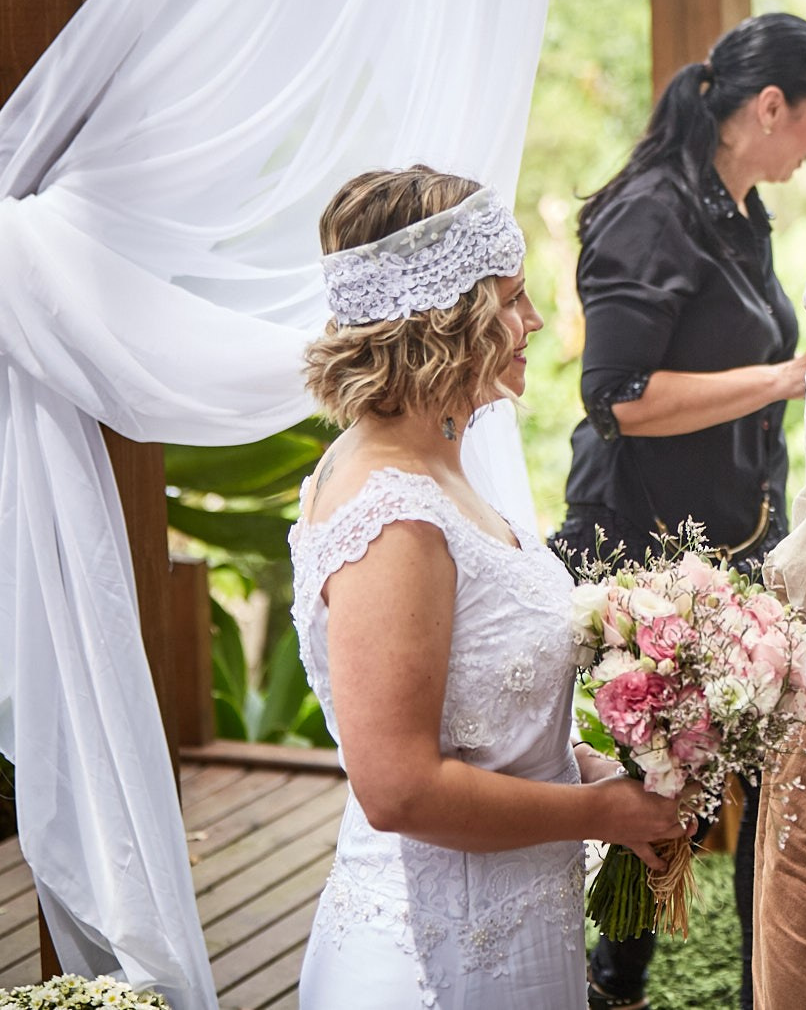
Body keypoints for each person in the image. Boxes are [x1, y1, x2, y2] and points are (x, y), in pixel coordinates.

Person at [292, 166, 686, 1010]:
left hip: (513, 927)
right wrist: (598, 816)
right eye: (511, 298)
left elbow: (476, 720)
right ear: (445, 323)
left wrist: (593, 769)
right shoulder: (393, 517)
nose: (535, 319)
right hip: (435, 962)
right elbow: (399, 789)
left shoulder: (441, 465)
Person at [556, 12, 806, 1010]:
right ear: (768, 107)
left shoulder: (735, 205)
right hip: (645, 546)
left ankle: (770, 984)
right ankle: (617, 979)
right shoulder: (650, 212)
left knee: (760, 774)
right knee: (663, 787)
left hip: (735, 538)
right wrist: (784, 381)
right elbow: (620, 399)